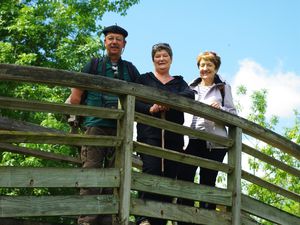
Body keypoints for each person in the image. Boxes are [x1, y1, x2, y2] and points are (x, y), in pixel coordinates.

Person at [69, 25, 140, 225]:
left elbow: (143, 93)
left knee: (115, 175)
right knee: (91, 171)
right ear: (105, 42)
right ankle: (87, 221)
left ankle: (108, 221)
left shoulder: (130, 69)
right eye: (110, 38)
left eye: (118, 39)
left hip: (121, 129)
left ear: (124, 44)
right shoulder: (93, 64)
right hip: (95, 125)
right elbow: (76, 95)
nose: (114, 42)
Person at [135, 43, 195, 225]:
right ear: (153, 59)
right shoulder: (144, 79)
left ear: (171, 59)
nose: (161, 59)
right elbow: (133, 99)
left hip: (173, 137)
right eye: (158, 56)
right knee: (150, 172)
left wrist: (168, 102)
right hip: (149, 135)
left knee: (169, 177)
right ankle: (143, 217)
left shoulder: (178, 82)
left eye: (165, 56)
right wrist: (151, 107)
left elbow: (190, 96)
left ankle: (161, 220)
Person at [182, 51, 237, 220]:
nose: (205, 69)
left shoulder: (223, 87)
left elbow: (234, 114)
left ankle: (206, 220)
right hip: (191, 138)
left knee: (208, 182)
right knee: (185, 179)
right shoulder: (189, 87)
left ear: (216, 68)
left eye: (209, 65)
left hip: (214, 142)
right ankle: (184, 219)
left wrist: (221, 110)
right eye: (202, 65)